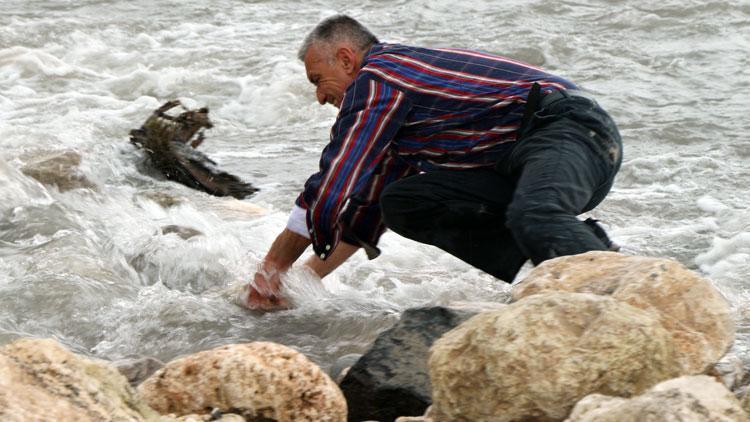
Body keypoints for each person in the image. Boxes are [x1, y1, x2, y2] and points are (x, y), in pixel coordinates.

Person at [241, 15, 623, 310]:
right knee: (403, 202)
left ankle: (625, 294)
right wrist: (301, 285)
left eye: (317, 80)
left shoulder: (378, 77)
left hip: (571, 131)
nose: (319, 98)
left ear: (345, 59)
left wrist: (271, 271)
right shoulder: (395, 121)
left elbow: (331, 185)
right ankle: (556, 269)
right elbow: (362, 216)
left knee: (535, 215)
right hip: (522, 162)